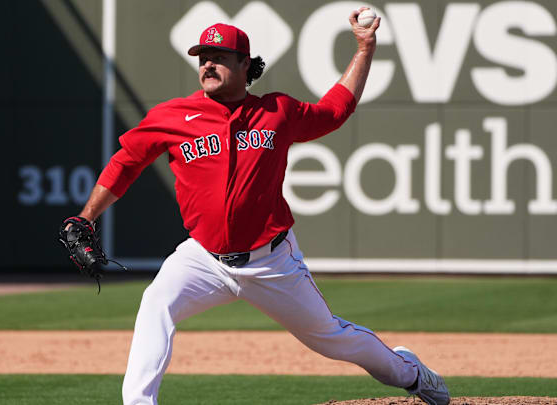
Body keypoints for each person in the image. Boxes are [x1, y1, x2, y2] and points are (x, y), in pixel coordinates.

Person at [67, 8, 450, 405]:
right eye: (203, 58)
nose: (208, 64)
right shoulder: (172, 117)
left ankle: (410, 372)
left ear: (244, 63)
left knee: (332, 339)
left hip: (271, 261)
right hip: (203, 257)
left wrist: (364, 47)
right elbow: (125, 162)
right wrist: (86, 216)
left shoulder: (276, 111)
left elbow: (335, 111)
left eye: (218, 57)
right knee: (155, 303)